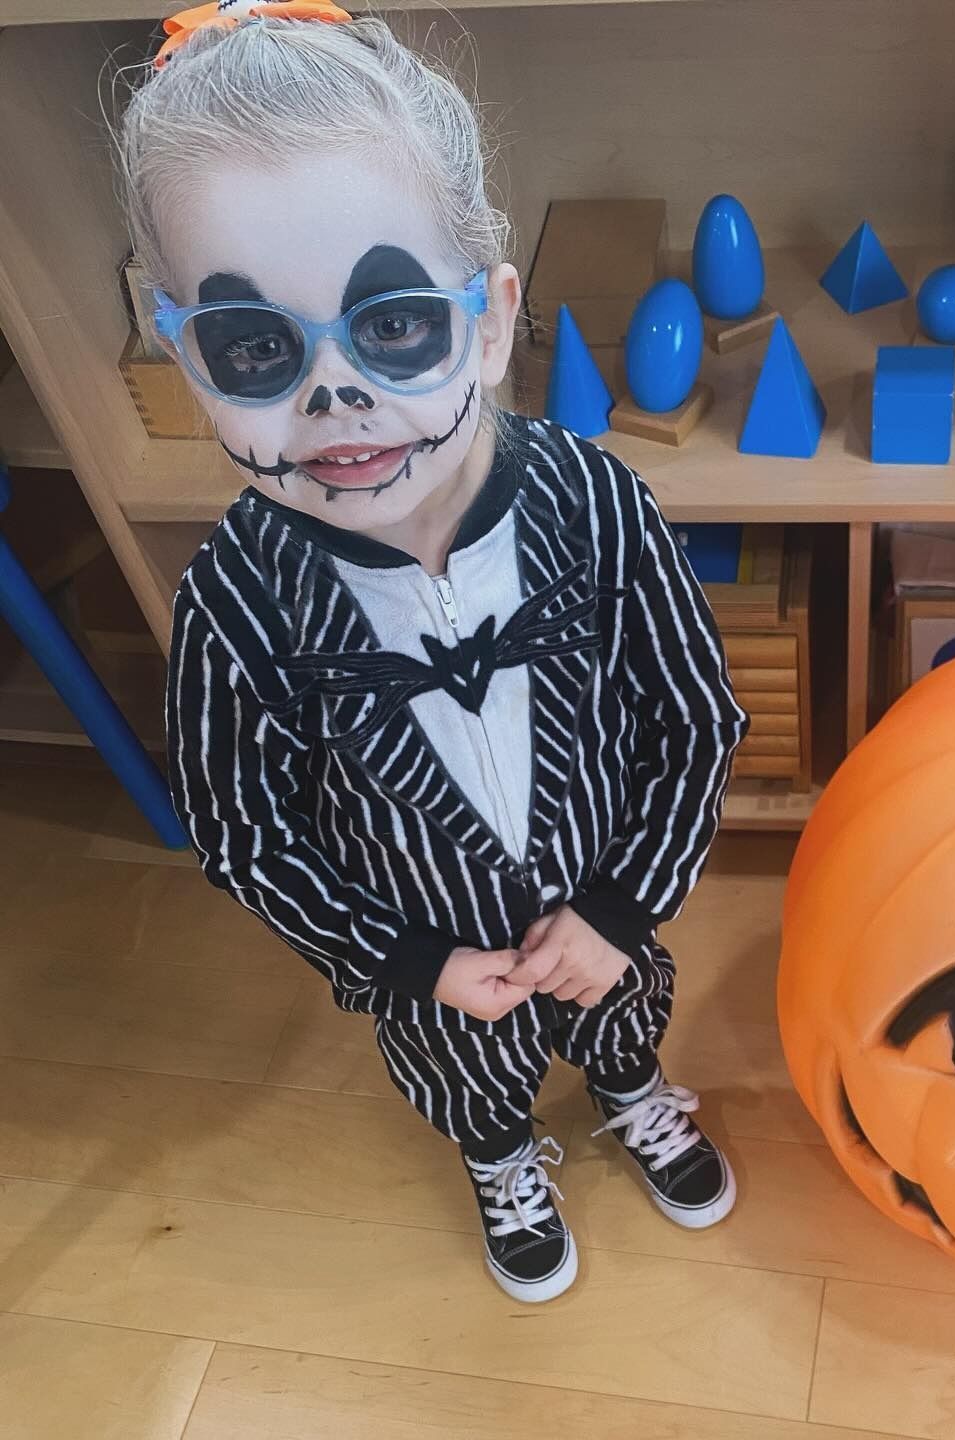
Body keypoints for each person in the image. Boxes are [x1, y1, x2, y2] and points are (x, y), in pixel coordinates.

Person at [114, 0, 748, 1303]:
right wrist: (404, 963)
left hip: (606, 899)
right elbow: (245, 831)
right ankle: (501, 1155)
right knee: (467, 1082)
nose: (332, 395)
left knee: (621, 1018)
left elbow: (695, 718)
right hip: (425, 955)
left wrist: (621, 909)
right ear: (188, 357)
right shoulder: (238, 598)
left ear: (493, 314)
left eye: (393, 322)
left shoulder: (596, 502)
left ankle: (630, 1089)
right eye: (253, 347)